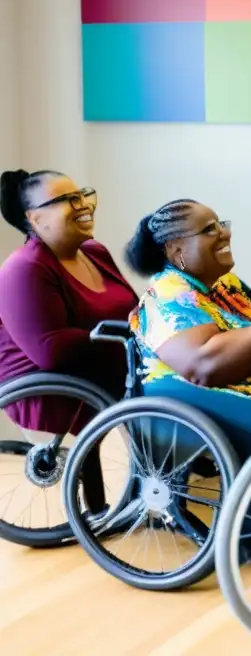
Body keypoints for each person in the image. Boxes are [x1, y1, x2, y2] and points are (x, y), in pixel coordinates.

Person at [123, 199, 251, 562]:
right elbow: (202, 363)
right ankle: (248, 531)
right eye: (209, 229)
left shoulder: (226, 285)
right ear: (176, 249)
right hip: (186, 394)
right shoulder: (168, 293)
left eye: (220, 223)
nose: (224, 232)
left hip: (242, 382)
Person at [0, 169, 138, 514]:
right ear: (35, 217)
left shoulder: (94, 252)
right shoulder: (23, 268)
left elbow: (132, 309)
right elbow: (50, 350)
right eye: (67, 200)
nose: (82, 205)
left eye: (83, 195)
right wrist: (123, 334)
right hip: (47, 384)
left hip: (101, 365)